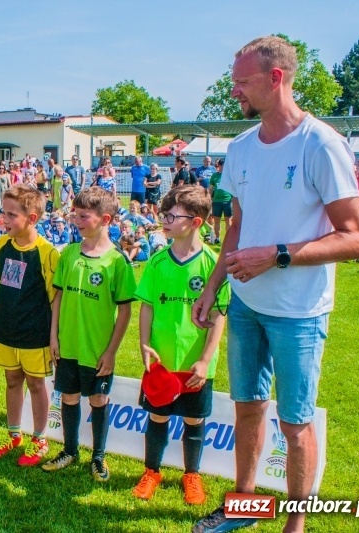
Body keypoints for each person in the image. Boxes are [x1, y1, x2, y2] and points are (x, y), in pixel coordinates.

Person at [191, 37, 359, 533]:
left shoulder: (322, 144)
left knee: (294, 424)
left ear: (277, 79)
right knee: (247, 411)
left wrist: (279, 256)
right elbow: (237, 227)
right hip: (246, 305)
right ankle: (242, 510)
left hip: (300, 311)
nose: (234, 91)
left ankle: (296, 526)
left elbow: (358, 239)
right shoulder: (241, 146)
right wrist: (212, 287)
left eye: (242, 82)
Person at [132, 185, 229, 505]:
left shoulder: (212, 266)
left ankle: (192, 474)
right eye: (164, 214)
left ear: (197, 222)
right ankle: (152, 471)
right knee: (157, 417)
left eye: (172, 215)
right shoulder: (158, 262)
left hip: (195, 364)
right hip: (161, 361)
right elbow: (146, 305)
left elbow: (219, 314)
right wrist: (144, 344)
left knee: (193, 419)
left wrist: (205, 360)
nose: (165, 220)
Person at [42, 188, 136, 482]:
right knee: (68, 396)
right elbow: (56, 298)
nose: (76, 220)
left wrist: (110, 352)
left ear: (104, 219)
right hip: (67, 344)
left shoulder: (117, 262)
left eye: (83, 216)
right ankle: (70, 450)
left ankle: (98, 456)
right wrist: (53, 336)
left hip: (97, 350)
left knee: (97, 398)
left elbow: (125, 312)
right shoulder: (69, 252)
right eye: (74, 214)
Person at [0, 185, 59, 466]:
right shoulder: (1, 246)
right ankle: (14, 433)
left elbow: (56, 300)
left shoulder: (47, 253)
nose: (4, 219)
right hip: (6, 329)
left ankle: (40, 437)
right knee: (12, 380)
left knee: (36, 384)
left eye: (11, 214)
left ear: (32, 218)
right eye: (3, 213)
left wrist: (54, 337)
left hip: (35, 333)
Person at [209, 158, 231, 245]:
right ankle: (217, 238)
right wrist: (208, 198)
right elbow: (210, 188)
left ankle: (228, 239)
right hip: (216, 201)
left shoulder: (230, 175)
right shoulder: (215, 176)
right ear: (221, 166)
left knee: (228, 220)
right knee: (216, 220)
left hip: (227, 200)